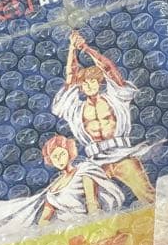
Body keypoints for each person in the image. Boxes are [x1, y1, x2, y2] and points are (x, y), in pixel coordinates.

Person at [0, 134, 126, 245]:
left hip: (85, 229)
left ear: (69, 152)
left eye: (61, 154)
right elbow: (45, 217)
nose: (59, 159)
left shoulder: (84, 171)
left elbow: (92, 202)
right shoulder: (54, 187)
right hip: (62, 234)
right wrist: (41, 238)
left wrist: (96, 230)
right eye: (54, 157)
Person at [52, 31, 156, 204]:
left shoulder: (116, 98)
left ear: (99, 82)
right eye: (85, 83)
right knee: (91, 207)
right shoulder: (75, 110)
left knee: (148, 197)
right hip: (94, 164)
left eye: (92, 81)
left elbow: (108, 68)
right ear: (81, 87)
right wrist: (72, 49)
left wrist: (86, 48)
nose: (89, 85)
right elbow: (70, 77)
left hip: (122, 156)